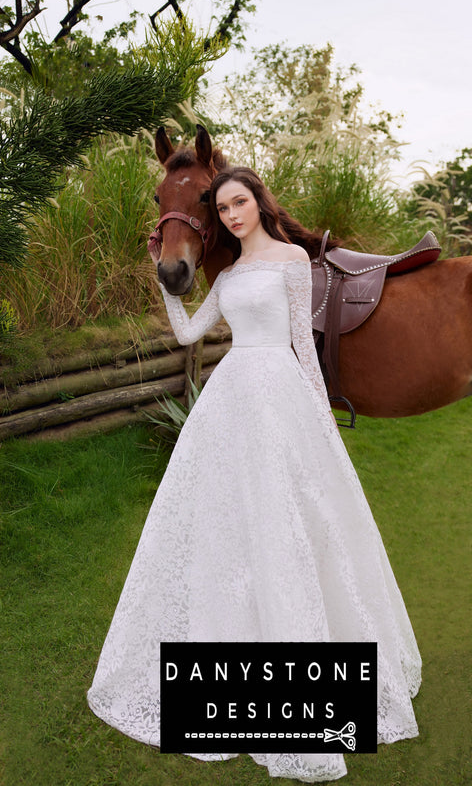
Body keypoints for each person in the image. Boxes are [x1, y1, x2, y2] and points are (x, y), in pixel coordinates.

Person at [87, 166, 422, 782]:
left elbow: (302, 344)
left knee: (291, 518)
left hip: (280, 394)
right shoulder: (228, 277)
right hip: (231, 398)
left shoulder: (293, 261)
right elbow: (188, 332)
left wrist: (321, 417)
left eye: (239, 202)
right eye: (223, 208)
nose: (233, 214)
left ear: (258, 202)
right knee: (225, 521)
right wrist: (163, 279)